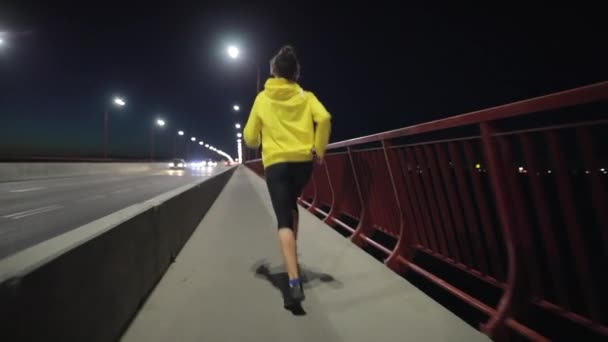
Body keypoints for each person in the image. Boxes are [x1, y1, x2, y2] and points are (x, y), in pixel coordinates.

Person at [244, 45, 332, 308]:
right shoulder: (307, 97)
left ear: (273, 72)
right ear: (295, 73)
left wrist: (259, 138)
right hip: (303, 164)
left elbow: (249, 137)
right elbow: (325, 118)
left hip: (277, 165)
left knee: (283, 218)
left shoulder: (262, 99)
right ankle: (292, 253)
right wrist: (320, 149)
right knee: (292, 208)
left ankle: (293, 281)